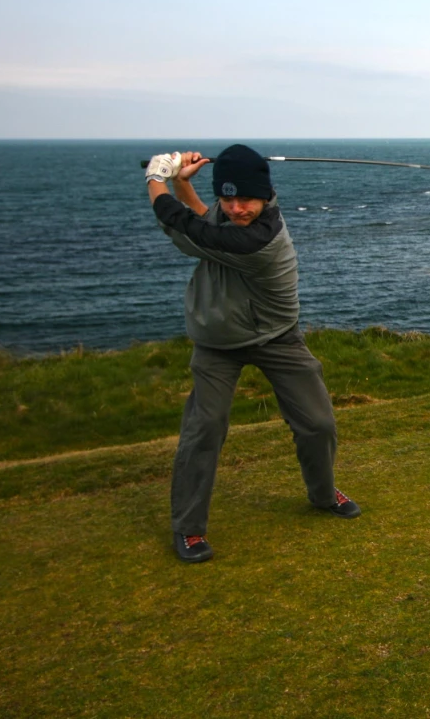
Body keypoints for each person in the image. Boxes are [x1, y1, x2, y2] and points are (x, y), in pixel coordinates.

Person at [145, 144, 360, 564]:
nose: (237, 208)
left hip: (276, 336)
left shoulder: (262, 240)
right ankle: (188, 527)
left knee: (318, 423)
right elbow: (206, 220)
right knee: (205, 428)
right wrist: (182, 184)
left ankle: (322, 495)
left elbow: (186, 227)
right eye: (228, 199)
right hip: (218, 340)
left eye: (246, 199)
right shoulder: (230, 222)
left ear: (266, 197)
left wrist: (156, 179)